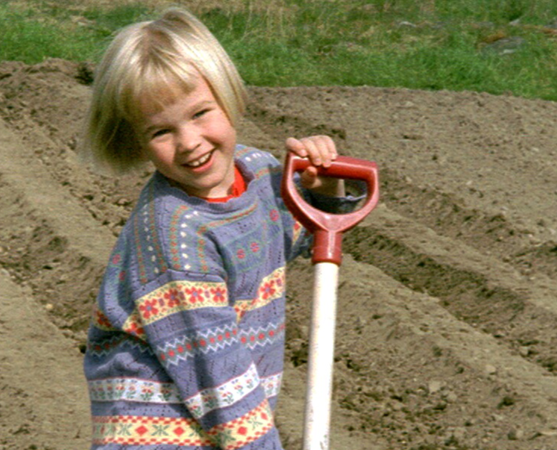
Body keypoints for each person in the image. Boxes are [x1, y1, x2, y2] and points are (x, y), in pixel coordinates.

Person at [80, 7, 360, 450]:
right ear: (137, 142)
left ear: (228, 96)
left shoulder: (260, 172)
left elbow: (287, 239)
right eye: (160, 132)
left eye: (200, 113)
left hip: (214, 415)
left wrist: (322, 194)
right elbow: (217, 378)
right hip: (158, 431)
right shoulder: (176, 233)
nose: (189, 142)